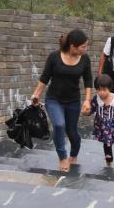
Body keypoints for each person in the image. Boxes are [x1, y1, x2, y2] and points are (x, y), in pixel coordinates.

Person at [31, 29, 93, 172]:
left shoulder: (85, 59)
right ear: (72, 46)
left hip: (73, 101)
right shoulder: (54, 57)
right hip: (54, 99)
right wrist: (36, 94)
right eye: (83, 46)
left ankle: (74, 155)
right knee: (59, 125)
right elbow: (45, 77)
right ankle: (63, 157)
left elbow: (88, 80)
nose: (85, 49)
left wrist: (87, 100)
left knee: (72, 132)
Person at [86, 74, 114, 166]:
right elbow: (92, 108)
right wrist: (87, 111)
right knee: (107, 144)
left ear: (109, 88)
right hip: (103, 126)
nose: (101, 92)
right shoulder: (96, 99)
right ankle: (109, 161)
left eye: (104, 90)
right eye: (99, 90)